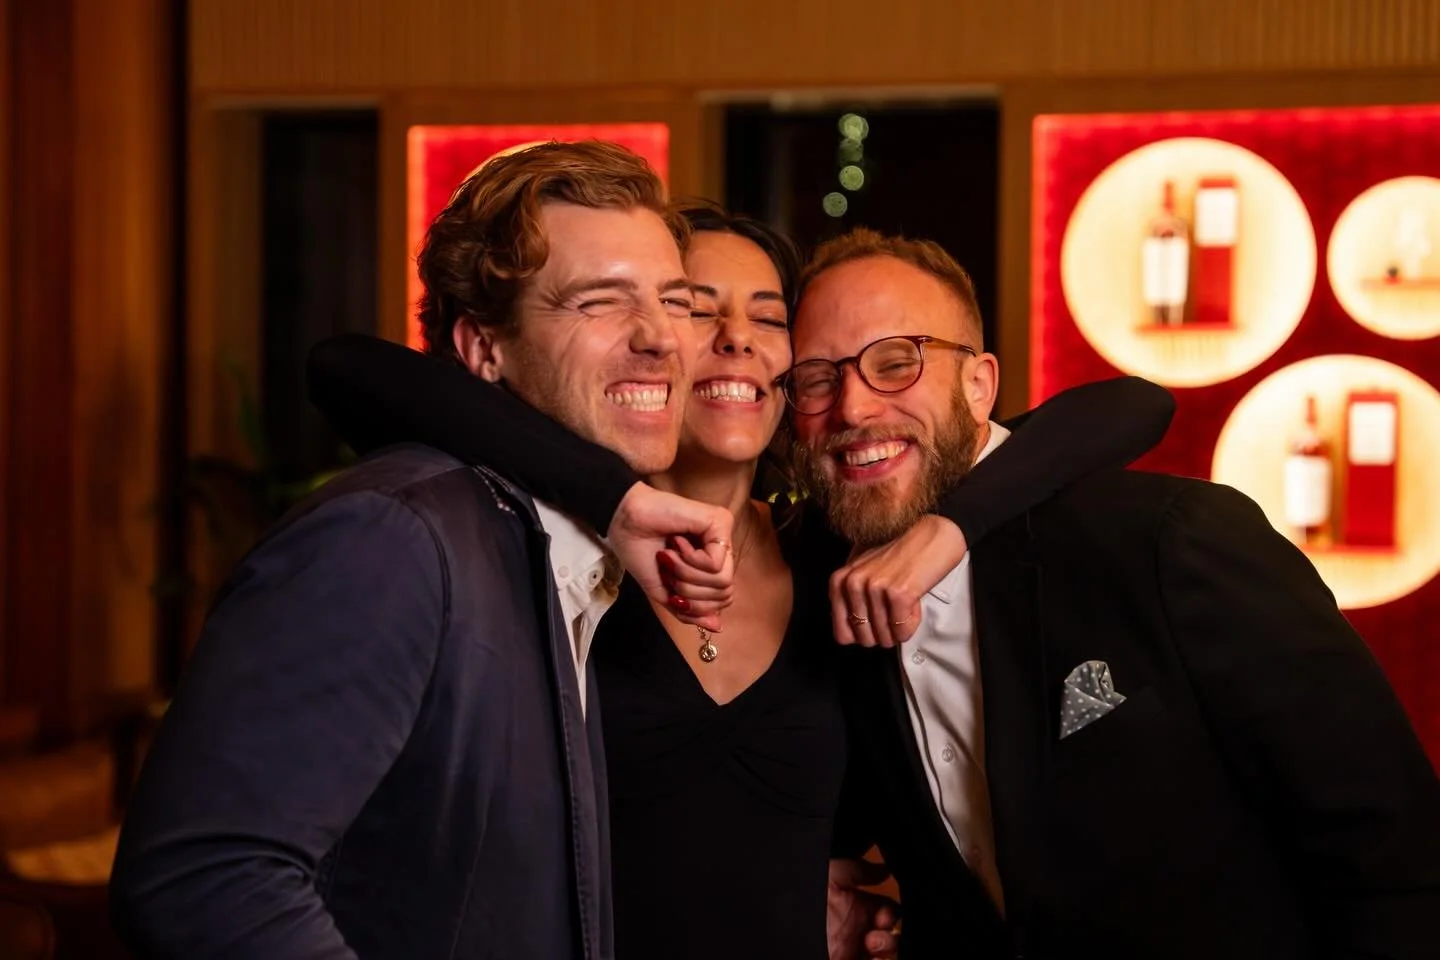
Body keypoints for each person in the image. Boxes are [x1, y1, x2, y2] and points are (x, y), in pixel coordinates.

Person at [306, 202, 1176, 957]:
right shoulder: (560, 551)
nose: (735, 338)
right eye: (694, 308)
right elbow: (346, 367)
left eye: (769, 317)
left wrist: (948, 530)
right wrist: (616, 502)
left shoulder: (834, 554)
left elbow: (1129, 407)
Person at [109, 141, 738, 960]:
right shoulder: (390, 538)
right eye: (599, 302)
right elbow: (202, 878)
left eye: (676, 301)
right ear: (483, 350)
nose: (660, 337)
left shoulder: (547, 547)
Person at [789, 228, 1440, 959]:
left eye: (896, 362)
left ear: (978, 385)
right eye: (816, 379)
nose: (852, 407)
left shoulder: (1173, 540)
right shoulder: (819, 599)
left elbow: (1394, 861)